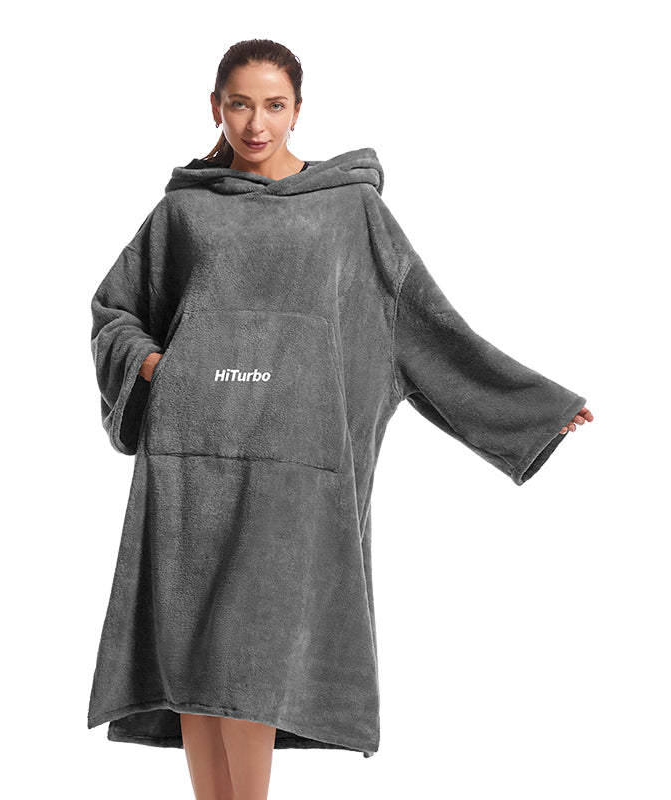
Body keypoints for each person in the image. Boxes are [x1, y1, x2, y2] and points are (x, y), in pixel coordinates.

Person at [88, 39, 593, 800]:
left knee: (248, 662)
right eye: (239, 104)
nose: (256, 124)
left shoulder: (348, 210)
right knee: (193, 661)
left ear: (299, 109)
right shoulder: (184, 210)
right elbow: (114, 309)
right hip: (193, 462)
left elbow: (421, 323)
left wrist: (530, 406)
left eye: (274, 105)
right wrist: (158, 368)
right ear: (215, 107)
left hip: (294, 472)